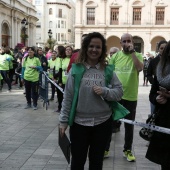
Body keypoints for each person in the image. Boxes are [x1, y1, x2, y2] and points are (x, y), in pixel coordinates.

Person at [59, 32, 123, 170]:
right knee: (77, 162)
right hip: (79, 124)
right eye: (91, 46)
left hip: (102, 123)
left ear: (102, 50)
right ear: (85, 48)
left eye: (98, 47)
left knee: (96, 162)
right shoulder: (75, 69)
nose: (94, 50)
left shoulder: (108, 70)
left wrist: (105, 91)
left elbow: (119, 93)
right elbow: (68, 97)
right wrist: (63, 122)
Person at [109, 33, 143, 162]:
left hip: (130, 96)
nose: (127, 43)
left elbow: (139, 68)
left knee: (129, 125)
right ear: (120, 43)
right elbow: (109, 73)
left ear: (132, 42)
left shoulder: (138, 55)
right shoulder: (116, 56)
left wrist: (133, 52)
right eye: (124, 41)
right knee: (111, 123)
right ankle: (106, 148)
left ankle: (127, 150)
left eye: (129, 41)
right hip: (116, 95)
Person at [145, 41, 170, 170]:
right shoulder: (161, 69)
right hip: (164, 120)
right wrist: (157, 98)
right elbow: (152, 93)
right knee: (165, 161)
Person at [147, 40, 167, 114]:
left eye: (165, 48)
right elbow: (148, 74)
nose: (163, 50)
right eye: (161, 48)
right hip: (157, 91)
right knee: (154, 113)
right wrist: (154, 82)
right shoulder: (153, 61)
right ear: (158, 49)